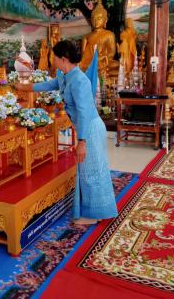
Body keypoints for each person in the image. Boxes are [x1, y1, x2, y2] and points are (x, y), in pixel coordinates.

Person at [15, 40, 118, 225]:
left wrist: (82, 142)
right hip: (84, 128)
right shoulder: (65, 75)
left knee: (91, 172)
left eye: (54, 58)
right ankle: (96, 211)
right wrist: (25, 87)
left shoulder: (80, 81)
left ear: (64, 59)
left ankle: (93, 215)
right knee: (89, 170)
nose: (52, 60)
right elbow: (51, 84)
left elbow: (85, 114)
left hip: (91, 129)